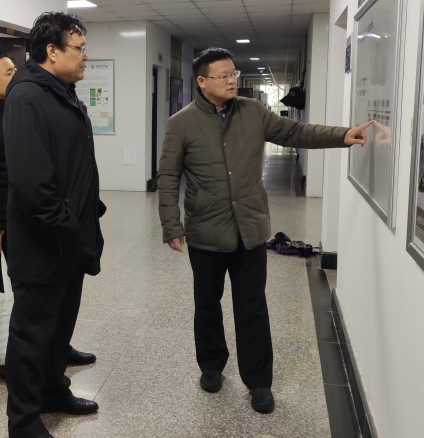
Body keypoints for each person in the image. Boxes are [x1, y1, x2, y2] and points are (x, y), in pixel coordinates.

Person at [157, 47, 373, 415]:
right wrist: (171, 224)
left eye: (234, 74)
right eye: (223, 75)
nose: (231, 80)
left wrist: (342, 135)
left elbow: (296, 132)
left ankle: (259, 380)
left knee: (252, 306)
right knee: (207, 304)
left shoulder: (253, 112)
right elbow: (167, 176)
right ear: (202, 81)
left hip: (250, 230)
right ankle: (211, 365)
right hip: (206, 231)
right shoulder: (181, 123)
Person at [0, 50, 97, 382]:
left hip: (35, 217)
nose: (18, 74)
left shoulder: (27, 107)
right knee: (17, 297)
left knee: (51, 296)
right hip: (5, 225)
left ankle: (58, 349)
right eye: (9, 72)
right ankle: (3, 359)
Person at [3, 12, 106, 438]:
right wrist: (68, 226)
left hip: (69, 241)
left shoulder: (62, 92)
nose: (85, 57)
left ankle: (52, 392)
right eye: (79, 49)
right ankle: (23, 420)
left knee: (59, 331)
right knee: (31, 337)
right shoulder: (27, 96)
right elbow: (32, 182)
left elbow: (72, 162)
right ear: (52, 51)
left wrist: (89, 212)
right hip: (43, 244)